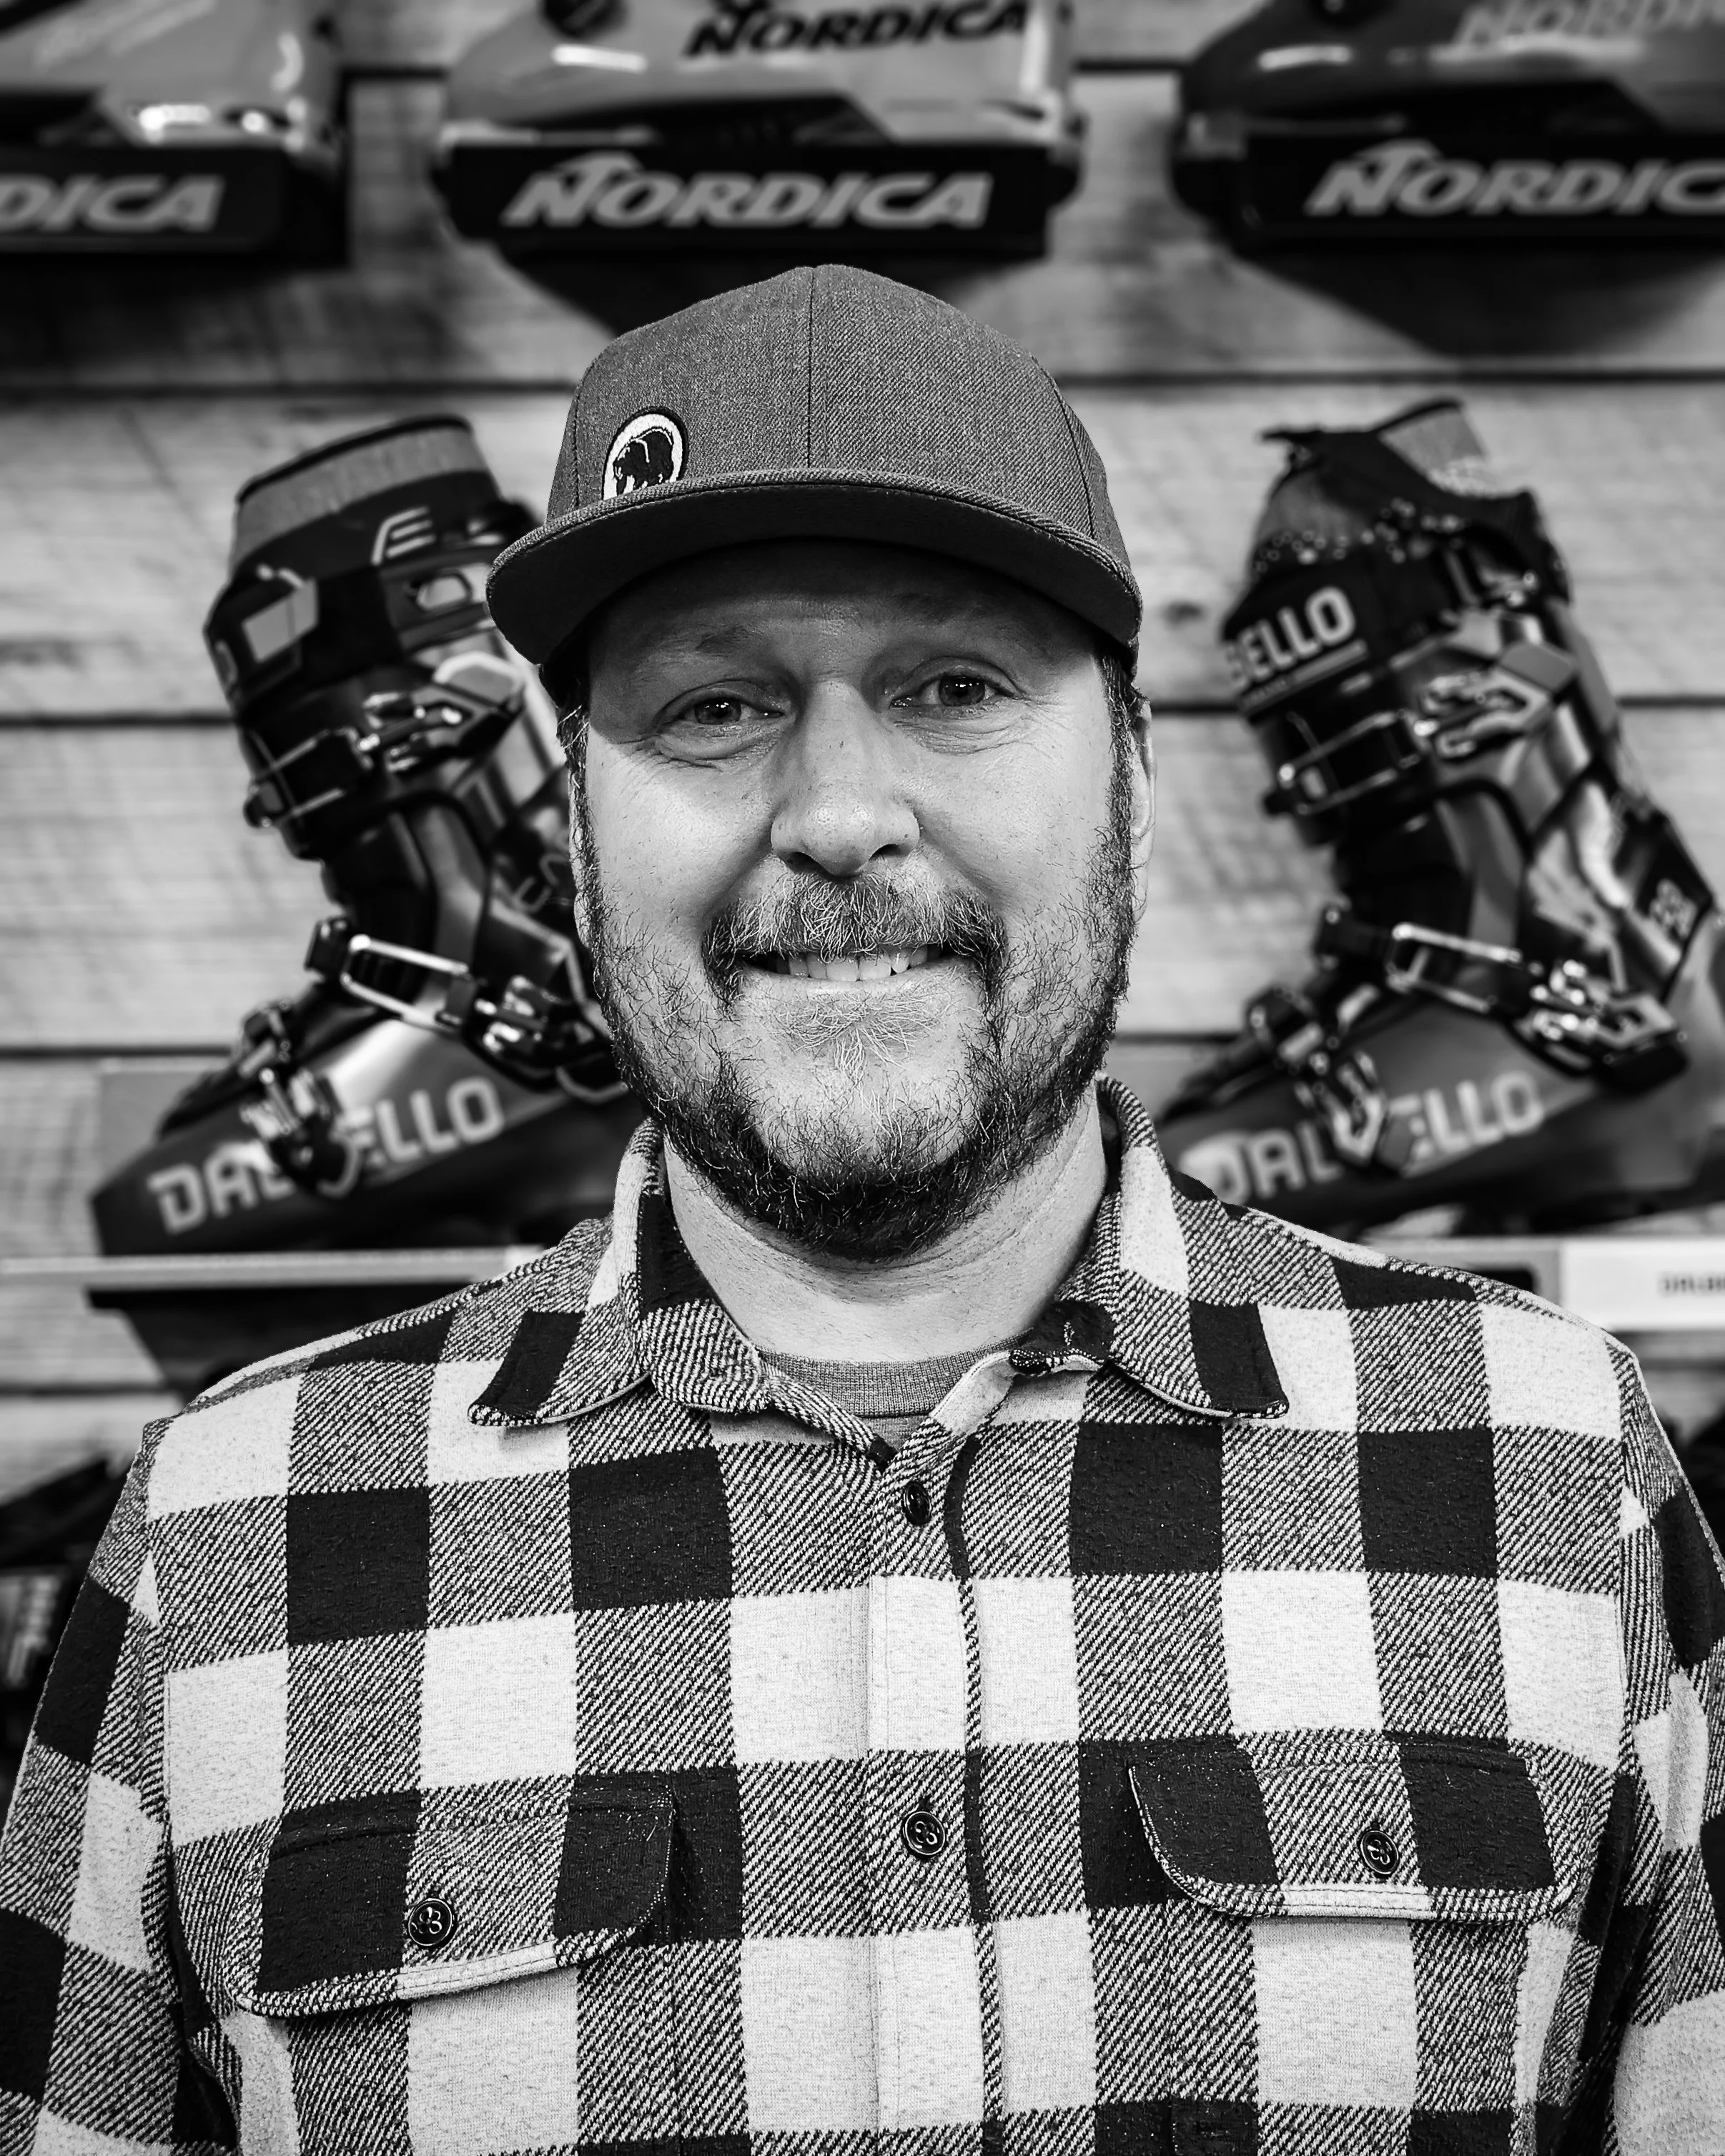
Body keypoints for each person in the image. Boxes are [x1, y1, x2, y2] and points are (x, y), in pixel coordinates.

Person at [3, 265, 1723, 2155]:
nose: (839, 809)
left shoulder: (1553, 1474)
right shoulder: (224, 1542)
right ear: (569, 821)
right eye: (713, 703)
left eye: (955, 686)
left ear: (1133, 774)